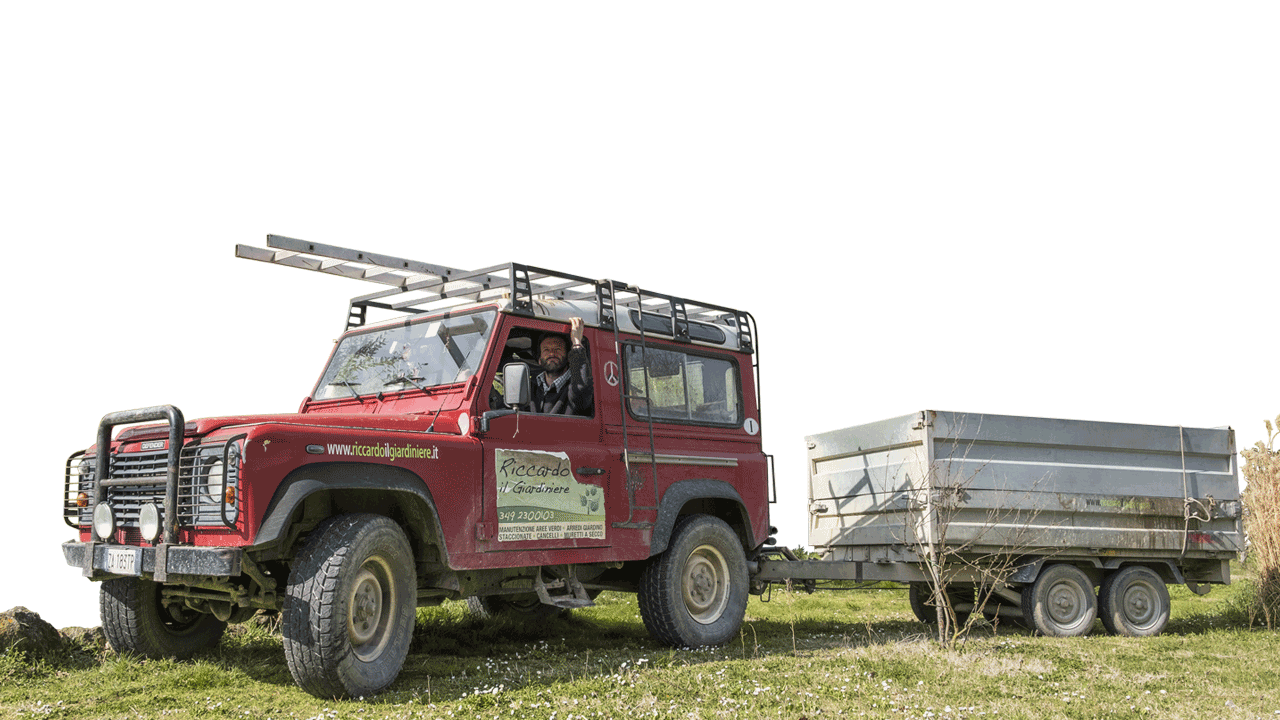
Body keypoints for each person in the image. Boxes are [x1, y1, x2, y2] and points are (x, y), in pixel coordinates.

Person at [531, 316, 593, 416]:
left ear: (568, 357)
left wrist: (577, 343)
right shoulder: (531, 387)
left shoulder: (573, 386)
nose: (552, 353)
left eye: (558, 349)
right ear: (539, 360)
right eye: (546, 350)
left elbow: (581, 390)